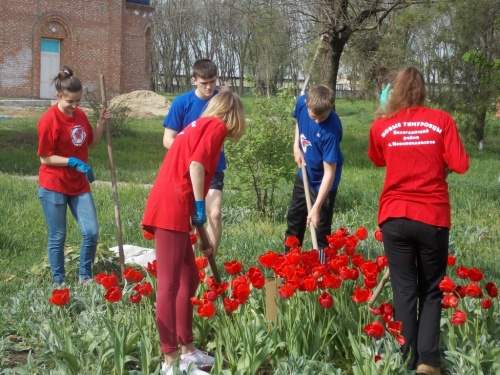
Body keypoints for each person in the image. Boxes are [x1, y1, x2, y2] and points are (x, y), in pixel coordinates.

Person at [368, 67, 469, 375]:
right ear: (423, 90)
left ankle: (403, 359)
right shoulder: (442, 121)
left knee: (404, 290)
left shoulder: (382, 126)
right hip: (432, 216)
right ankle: (428, 362)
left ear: (395, 92)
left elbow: (377, 159)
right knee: (431, 289)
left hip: (394, 217)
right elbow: (461, 165)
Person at [142, 91, 246, 375]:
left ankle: (187, 350)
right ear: (234, 114)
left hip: (174, 202)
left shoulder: (197, 125)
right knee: (169, 284)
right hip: (171, 206)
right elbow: (196, 164)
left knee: (191, 276)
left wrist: (196, 214)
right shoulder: (216, 126)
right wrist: (199, 204)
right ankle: (170, 361)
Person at [37, 66, 111, 285]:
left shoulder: (79, 115)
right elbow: (45, 157)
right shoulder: (48, 121)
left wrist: (101, 123)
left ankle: (84, 277)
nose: (75, 106)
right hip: (54, 185)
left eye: (79, 101)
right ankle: (58, 281)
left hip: (78, 185)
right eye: (70, 101)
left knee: (91, 232)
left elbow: (92, 142)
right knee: (58, 236)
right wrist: (72, 161)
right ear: (58, 95)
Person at [163, 58, 228, 257]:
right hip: (186, 169)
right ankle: (190, 267)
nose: (209, 87)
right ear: (194, 80)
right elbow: (168, 139)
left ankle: (209, 267)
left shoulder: (221, 101)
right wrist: (192, 156)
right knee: (188, 222)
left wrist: (227, 96)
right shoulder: (182, 103)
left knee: (214, 214)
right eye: (204, 83)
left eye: (212, 82)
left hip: (214, 167)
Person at [284, 84, 344, 258]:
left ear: (330, 108)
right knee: (294, 221)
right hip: (305, 174)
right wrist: (296, 146)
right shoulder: (302, 103)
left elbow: (329, 173)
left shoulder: (331, 130)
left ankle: (321, 272)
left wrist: (316, 207)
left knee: (320, 230)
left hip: (323, 183)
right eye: (314, 116)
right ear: (308, 103)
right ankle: (290, 266)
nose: (317, 121)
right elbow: (299, 123)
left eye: (322, 116)